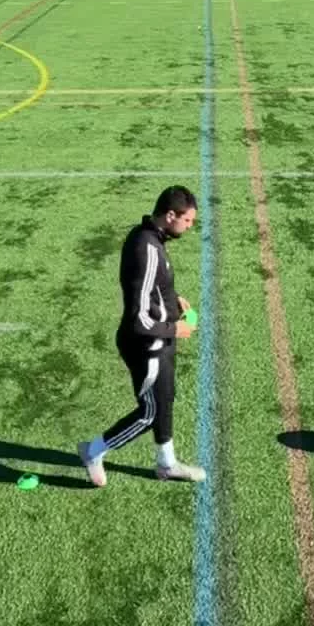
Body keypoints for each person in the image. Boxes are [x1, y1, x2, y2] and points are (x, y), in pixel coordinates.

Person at [78, 186, 206, 486]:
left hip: (160, 340)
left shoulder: (155, 238)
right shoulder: (145, 247)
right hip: (147, 345)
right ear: (170, 215)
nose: (190, 226)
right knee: (150, 412)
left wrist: (173, 300)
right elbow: (138, 318)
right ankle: (93, 451)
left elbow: (154, 286)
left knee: (165, 399)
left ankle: (167, 464)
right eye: (188, 220)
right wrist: (174, 329)